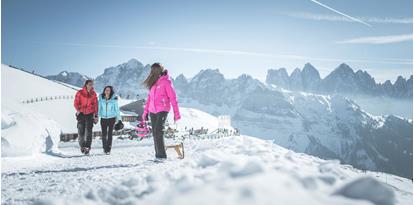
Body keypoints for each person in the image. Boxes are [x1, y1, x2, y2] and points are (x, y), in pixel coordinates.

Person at [142, 63, 181, 159]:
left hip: (163, 109)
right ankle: (158, 155)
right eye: (152, 70)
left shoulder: (166, 82)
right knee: (155, 132)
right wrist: (145, 112)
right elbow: (149, 99)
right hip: (152, 110)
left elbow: (173, 97)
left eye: (155, 70)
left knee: (158, 131)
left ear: (160, 70)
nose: (153, 72)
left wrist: (176, 114)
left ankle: (162, 156)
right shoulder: (153, 83)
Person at [74, 80, 98, 155]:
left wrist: (96, 115)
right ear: (86, 85)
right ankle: (82, 146)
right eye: (89, 84)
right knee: (81, 132)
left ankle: (87, 147)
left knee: (89, 132)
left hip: (90, 114)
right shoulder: (80, 92)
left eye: (92, 84)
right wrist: (78, 109)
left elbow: (95, 105)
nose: (91, 86)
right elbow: (75, 103)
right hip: (81, 114)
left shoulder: (93, 94)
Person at [98, 86, 121, 154]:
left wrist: (119, 119)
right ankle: (104, 148)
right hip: (103, 118)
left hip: (112, 118)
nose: (107, 91)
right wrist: (96, 116)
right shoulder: (101, 98)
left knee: (110, 134)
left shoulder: (114, 99)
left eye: (109, 90)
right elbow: (99, 108)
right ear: (104, 91)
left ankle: (108, 149)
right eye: (106, 90)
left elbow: (117, 110)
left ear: (111, 91)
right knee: (104, 134)